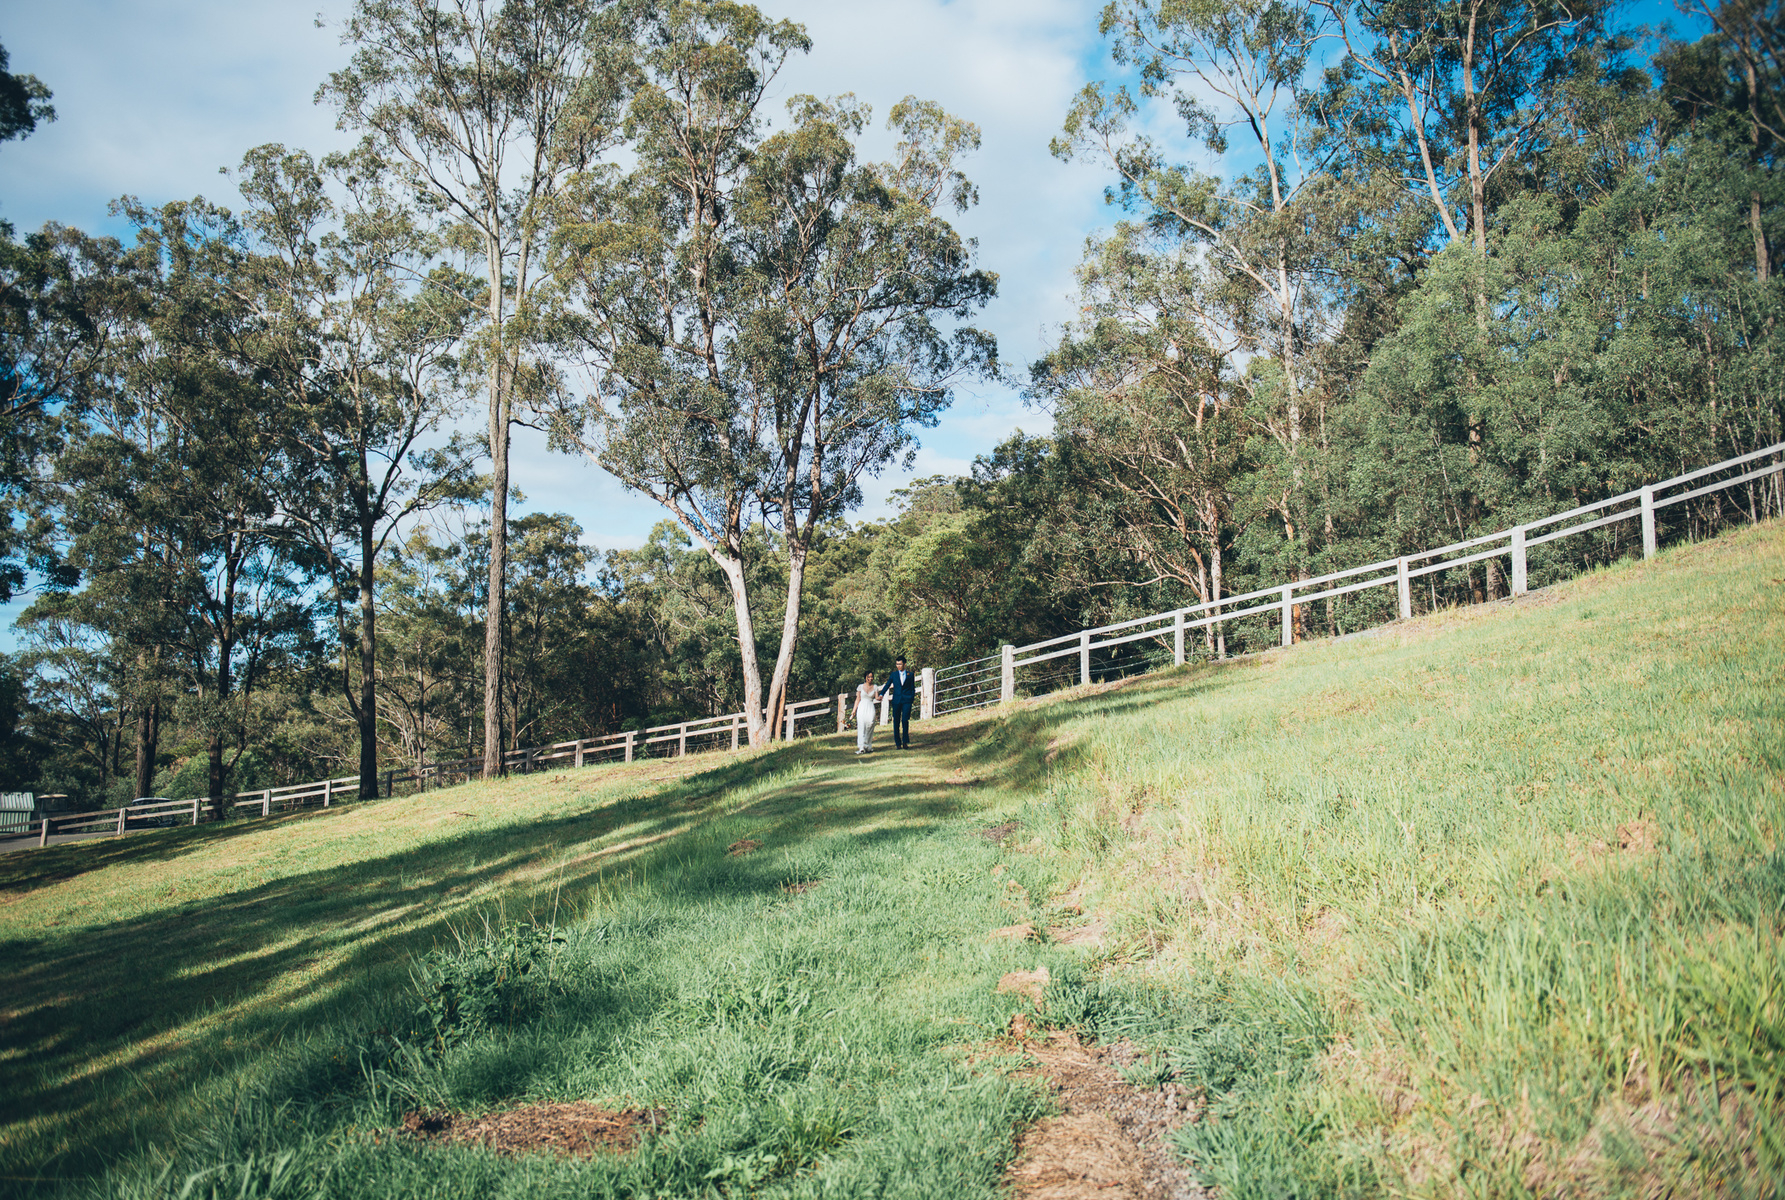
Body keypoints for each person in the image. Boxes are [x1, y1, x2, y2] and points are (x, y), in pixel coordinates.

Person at [879, 656, 917, 749]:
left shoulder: (910, 674)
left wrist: (911, 697)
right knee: (896, 721)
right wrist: (881, 694)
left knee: (905, 720)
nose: (898, 666)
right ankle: (897, 743)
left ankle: (905, 741)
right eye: (897, 664)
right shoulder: (894, 675)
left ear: (904, 664)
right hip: (897, 700)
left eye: (900, 664)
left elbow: (912, 687)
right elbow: (888, 684)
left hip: (907, 700)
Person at [854, 670, 879, 755]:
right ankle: (861, 747)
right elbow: (858, 699)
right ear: (865, 678)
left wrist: (880, 697)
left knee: (870, 724)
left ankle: (867, 745)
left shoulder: (875, 687)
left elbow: (876, 697)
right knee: (861, 725)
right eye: (868, 677)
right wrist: (854, 711)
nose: (870, 678)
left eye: (871, 677)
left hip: (870, 706)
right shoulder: (860, 687)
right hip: (862, 706)